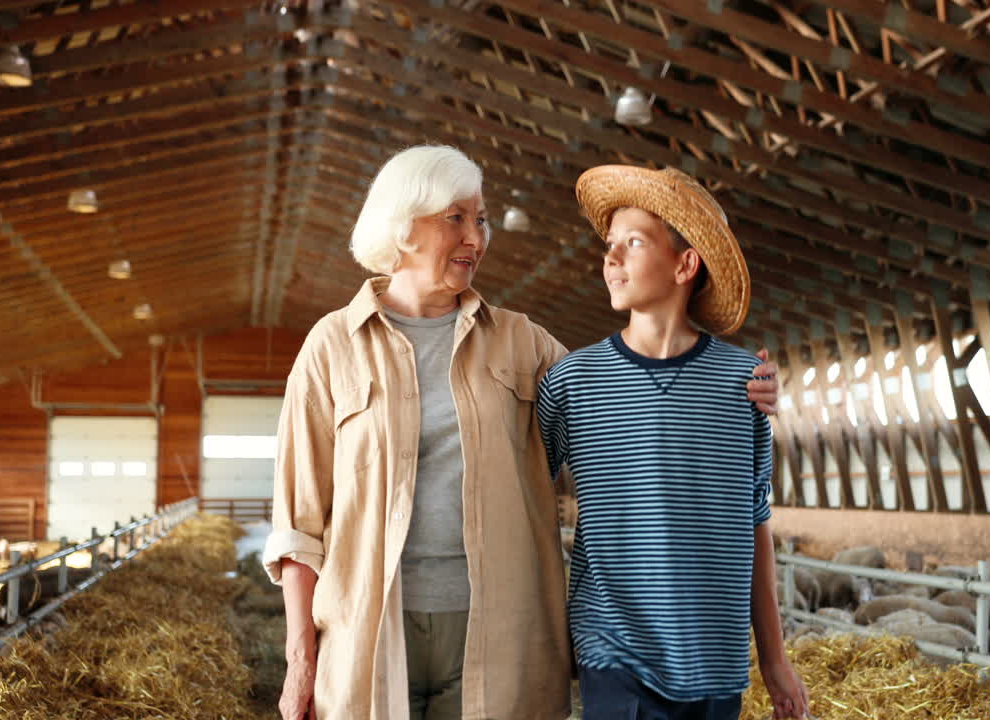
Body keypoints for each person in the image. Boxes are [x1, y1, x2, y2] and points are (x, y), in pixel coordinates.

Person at [261, 146, 782, 720]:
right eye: (455, 218)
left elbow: (627, 398)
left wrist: (739, 385)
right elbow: (298, 523)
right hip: (369, 635)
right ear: (404, 227)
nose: (477, 238)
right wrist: (300, 662)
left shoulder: (523, 344)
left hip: (495, 637)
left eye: (480, 220)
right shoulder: (331, 347)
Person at [536, 165, 809, 720]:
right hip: (612, 650)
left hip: (715, 656)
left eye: (633, 243)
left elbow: (755, 521)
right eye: (610, 245)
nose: (610, 258)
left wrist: (774, 660)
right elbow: (520, 498)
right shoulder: (572, 383)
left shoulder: (744, 387)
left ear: (686, 264)